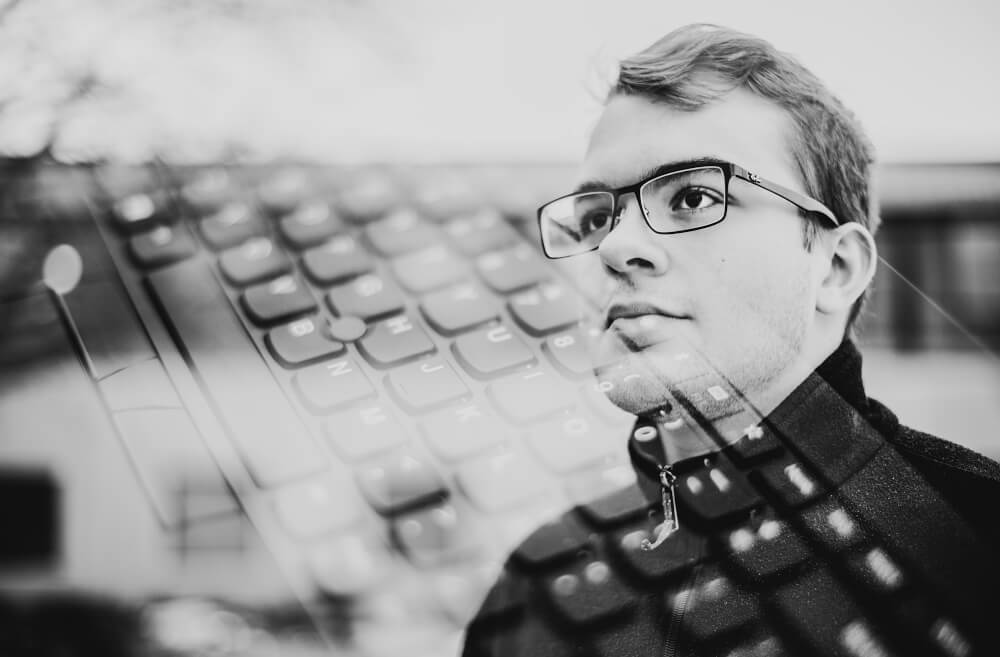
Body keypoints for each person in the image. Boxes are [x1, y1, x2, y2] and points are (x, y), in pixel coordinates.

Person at [461, 24, 1000, 657]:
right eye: (597, 216)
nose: (615, 247)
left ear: (835, 268)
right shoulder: (540, 586)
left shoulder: (975, 546)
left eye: (691, 196)